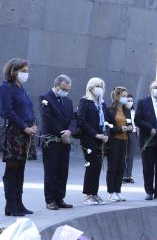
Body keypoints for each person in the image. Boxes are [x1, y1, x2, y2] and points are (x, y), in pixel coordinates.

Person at [0, 58, 36, 216]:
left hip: (26, 133)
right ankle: (11, 205)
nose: (25, 74)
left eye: (27, 71)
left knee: (20, 169)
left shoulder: (21, 88)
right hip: (15, 133)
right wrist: (24, 127)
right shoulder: (6, 87)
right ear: (13, 71)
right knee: (12, 169)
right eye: (23, 71)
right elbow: (8, 112)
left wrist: (33, 125)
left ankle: (19, 203)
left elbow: (27, 109)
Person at [39, 74, 76, 210]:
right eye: (63, 89)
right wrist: (62, 132)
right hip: (52, 140)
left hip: (65, 141)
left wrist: (69, 131)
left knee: (62, 171)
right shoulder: (45, 98)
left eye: (68, 90)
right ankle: (50, 200)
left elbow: (73, 119)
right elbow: (48, 119)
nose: (65, 92)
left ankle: (59, 198)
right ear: (56, 85)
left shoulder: (68, 101)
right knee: (51, 171)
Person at [77, 77, 108, 205]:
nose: (99, 88)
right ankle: (88, 194)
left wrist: (105, 134)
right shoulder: (85, 101)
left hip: (101, 138)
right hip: (89, 139)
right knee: (91, 165)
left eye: (101, 86)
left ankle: (94, 193)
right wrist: (95, 134)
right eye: (97, 86)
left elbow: (106, 121)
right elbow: (81, 121)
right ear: (90, 87)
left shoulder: (102, 104)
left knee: (98, 166)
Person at [103, 86, 133, 202]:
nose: (126, 98)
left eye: (127, 96)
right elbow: (109, 127)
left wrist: (129, 128)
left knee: (121, 166)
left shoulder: (126, 110)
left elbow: (130, 124)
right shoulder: (110, 110)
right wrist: (121, 129)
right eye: (124, 96)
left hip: (125, 141)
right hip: (114, 141)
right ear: (117, 96)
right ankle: (111, 192)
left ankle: (118, 190)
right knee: (113, 166)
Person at [122, 94, 136, 184]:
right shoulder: (122, 111)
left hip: (133, 134)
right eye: (128, 100)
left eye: (131, 100)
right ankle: (122, 175)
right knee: (124, 155)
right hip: (124, 134)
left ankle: (128, 175)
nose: (130, 102)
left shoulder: (134, 111)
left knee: (131, 156)